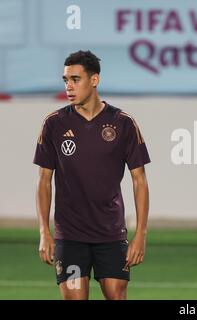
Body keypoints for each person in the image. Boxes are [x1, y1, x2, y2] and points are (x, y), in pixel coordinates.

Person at [33, 50, 151, 300]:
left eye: (75, 79)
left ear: (94, 80)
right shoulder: (54, 124)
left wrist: (140, 234)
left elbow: (139, 180)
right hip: (70, 236)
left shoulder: (123, 123)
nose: (69, 86)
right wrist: (45, 232)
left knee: (116, 296)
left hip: (110, 234)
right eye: (66, 80)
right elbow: (44, 181)